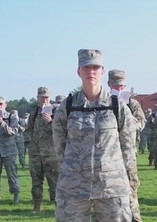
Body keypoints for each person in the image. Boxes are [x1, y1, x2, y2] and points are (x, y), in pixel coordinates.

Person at [52, 49, 137, 221]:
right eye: (86, 68)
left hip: (111, 185)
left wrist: (131, 184)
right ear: (79, 72)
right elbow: (60, 146)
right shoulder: (67, 106)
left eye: (95, 67)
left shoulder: (117, 106)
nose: (91, 71)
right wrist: (73, 168)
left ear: (102, 71)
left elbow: (128, 148)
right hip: (73, 186)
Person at [106, 69, 144, 222]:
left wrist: (125, 114)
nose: (119, 89)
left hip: (127, 155)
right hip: (107, 155)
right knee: (106, 192)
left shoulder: (132, 104)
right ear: (109, 84)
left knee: (131, 190)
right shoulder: (103, 102)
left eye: (121, 86)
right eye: (116, 86)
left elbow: (141, 123)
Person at [26, 87, 59, 213]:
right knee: (36, 181)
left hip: (51, 153)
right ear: (37, 98)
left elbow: (62, 130)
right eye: (42, 97)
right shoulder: (34, 112)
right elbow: (29, 129)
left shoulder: (56, 110)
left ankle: (58, 207)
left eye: (46, 97)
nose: (44, 100)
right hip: (35, 153)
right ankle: (37, 206)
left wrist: (51, 122)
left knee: (54, 182)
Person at [0, 97, 21, 203]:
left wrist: (3, 123)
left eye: (1, 104)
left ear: (5, 105)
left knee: (12, 174)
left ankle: (15, 194)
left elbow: (14, 131)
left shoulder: (11, 116)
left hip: (9, 151)